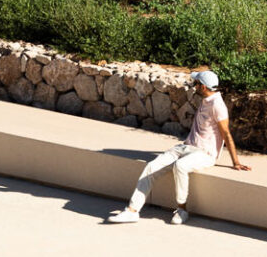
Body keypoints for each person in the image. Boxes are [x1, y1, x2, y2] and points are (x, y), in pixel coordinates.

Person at [106, 68, 250, 225]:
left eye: (196, 83)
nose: (194, 86)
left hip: (205, 153)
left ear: (202, 86)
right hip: (186, 147)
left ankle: (182, 210)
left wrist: (235, 162)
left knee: (180, 166)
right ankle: (132, 211)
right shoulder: (206, 100)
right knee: (151, 167)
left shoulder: (218, 106)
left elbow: (226, 133)